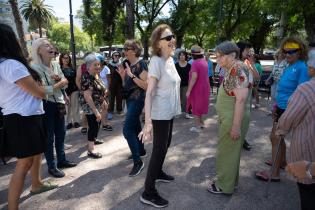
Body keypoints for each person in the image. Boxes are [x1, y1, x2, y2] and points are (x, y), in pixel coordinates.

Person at [0, 24, 57, 210]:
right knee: (24, 163)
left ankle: (36, 184)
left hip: (24, 116)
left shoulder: (5, 64)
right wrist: (54, 87)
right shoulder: (11, 65)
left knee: (34, 156)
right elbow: (38, 92)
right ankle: (12, 207)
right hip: (23, 118)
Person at [256, 37, 310, 182]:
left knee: (275, 137)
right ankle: (282, 162)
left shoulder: (301, 68)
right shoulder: (288, 65)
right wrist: (275, 106)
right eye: (285, 51)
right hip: (280, 107)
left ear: (300, 52)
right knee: (277, 138)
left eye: (291, 52)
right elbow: (282, 89)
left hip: (289, 110)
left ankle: (274, 174)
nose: (287, 55)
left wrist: (288, 111)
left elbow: (302, 94)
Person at [139, 24, 181, 208]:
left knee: (166, 145)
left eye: (173, 36)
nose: (172, 39)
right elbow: (149, 93)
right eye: (168, 37)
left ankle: (158, 173)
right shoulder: (156, 61)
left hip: (169, 111)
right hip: (159, 114)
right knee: (158, 150)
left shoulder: (170, 59)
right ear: (158, 43)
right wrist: (148, 123)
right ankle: (148, 192)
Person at [208, 41, 250, 194]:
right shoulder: (235, 68)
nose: (217, 60)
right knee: (231, 153)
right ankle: (231, 182)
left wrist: (235, 126)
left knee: (227, 153)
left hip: (233, 120)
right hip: (230, 118)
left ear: (231, 55)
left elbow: (240, 100)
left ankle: (224, 186)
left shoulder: (237, 69)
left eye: (219, 57)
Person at [31, 38, 77, 178]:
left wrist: (58, 87)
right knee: (49, 137)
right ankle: (52, 166)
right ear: (38, 50)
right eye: (46, 45)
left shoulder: (56, 64)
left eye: (50, 44)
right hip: (46, 105)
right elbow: (40, 90)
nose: (51, 47)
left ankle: (62, 160)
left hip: (60, 102)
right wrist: (57, 84)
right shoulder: (34, 68)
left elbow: (65, 81)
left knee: (61, 133)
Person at [275, 53, 315, 210]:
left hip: (308, 148)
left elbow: (289, 118)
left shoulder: (306, 89)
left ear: (311, 67)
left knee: (308, 191)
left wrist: (280, 129)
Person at [116, 40, 148, 176]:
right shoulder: (127, 64)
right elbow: (127, 86)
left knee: (127, 129)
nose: (124, 50)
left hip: (138, 100)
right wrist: (124, 77)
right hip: (129, 100)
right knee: (135, 127)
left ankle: (138, 162)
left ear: (134, 51)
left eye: (127, 48)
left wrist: (131, 75)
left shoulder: (142, 64)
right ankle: (141, 151)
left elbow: (146, 85)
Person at [81, 54, 106, 159]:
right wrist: (95, 111)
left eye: (98, 65)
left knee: (97, 123)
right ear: (88, 66)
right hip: (90, 106)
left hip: (98, 104)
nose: (98, 67)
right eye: (95, 65)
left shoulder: (96, 75)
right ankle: (91, 150)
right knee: (93, 126)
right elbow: (87, 96)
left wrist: (103, 100)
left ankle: (94, 139)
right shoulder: (87, 77)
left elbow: (100, 88)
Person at [236, 41, 260, 151]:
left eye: (249, 50)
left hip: (248, 93)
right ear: (240, 50)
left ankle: (242, 139)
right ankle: (237, 140)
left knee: (245, 118)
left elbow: (257, 77)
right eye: (247, 50)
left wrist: (252, 64)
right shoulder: (235, 63)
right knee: (238, 117)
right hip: (239, 94)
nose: (249, 53)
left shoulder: (247, 63)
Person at [186, 45, 210, 132]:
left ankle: (197, 127)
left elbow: (194, 77)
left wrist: (188, 90)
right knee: (200, 106)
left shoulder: (195, 63)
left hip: (197, 88)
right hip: (205, 87)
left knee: (196, 107)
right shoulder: (204, 61)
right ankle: (201, 123)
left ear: (193, 55)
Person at [59, 52, 80, 129]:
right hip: (65, 91)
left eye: (67, 58)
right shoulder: (59, 69)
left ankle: (76, 121)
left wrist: (79, 88)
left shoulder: (72, 68)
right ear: (61, 59)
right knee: (67, 107)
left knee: (75, 106)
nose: (66, 59)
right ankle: (68, 122)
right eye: (64, 58)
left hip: (74, 89)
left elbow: (76, 79)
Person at [175, 50, 192, 119]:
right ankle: (177, 112)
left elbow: (191, 76)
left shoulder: (189, 65)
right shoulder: (175, 65)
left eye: (183, 55)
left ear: (185, 56)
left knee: (185, 99)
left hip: (186, 84)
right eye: (180, 55)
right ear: (179, 57)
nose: (182, 56)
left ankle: (186, 113)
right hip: (177, 85)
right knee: (178, 99)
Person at [107, 51, 123, 120]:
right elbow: (108, 75)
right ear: (113, 56)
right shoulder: (109, 65)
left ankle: (119, 110)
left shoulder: (121, 64)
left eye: (118, 56)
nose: (117, 57)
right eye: (115, 55)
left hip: (119, 83)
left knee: (119, 97)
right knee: (111, 98)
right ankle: (110, 111)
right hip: (111, 83)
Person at [98, 57, 113, 131]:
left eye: (99, 61)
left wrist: (107, 90)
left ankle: (104, 123)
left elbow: (109, 80)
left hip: (104, 90)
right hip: (96, 90)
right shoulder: (95, 68)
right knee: (98, 107)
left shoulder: (106, 68)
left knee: (105, 106)